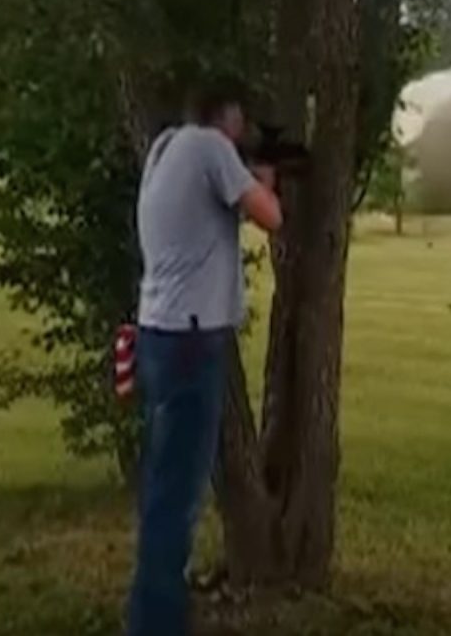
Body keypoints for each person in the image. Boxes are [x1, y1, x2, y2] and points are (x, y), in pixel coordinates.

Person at [127, 85, 282, 636]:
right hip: (192, 340)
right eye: (242, 122)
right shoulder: (212, 148)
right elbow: (271, 217)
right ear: (229, 118)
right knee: (178, 498)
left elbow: (206, 226)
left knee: (166, 488)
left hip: (160, 336)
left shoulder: (165, 150)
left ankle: (154, 616)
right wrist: (264, 180)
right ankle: (154, 626)